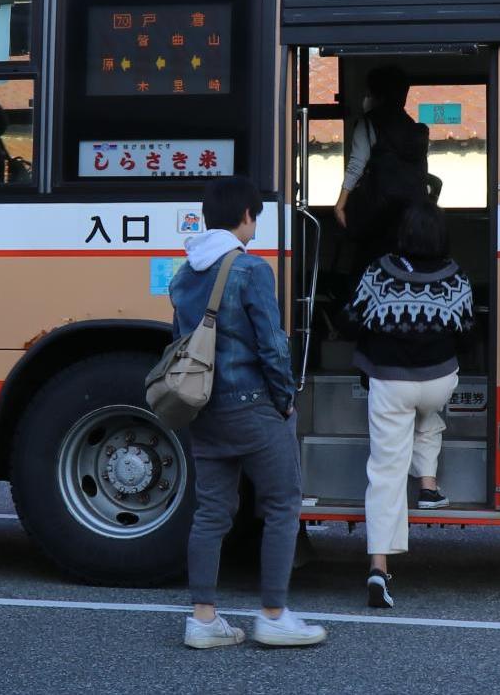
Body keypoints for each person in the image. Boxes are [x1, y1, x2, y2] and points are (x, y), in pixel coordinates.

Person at [172, 176, 328, 649]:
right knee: (282, 504)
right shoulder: (250, 270)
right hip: (251, 406)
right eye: (254, 215)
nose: (255, 223)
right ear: (245, 216)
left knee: (212, 512)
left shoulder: (185, 273)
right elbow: (272, 346)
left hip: (203, 407)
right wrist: (285, 400)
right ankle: (274, 614)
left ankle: (203, 619)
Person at [346, 200, 473, 609]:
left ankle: (379, 568)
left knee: (385, 471)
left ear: (403, 234)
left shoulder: (379, 272)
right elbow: (467, 329)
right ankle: (429, 486)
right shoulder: (456, 277)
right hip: (438, 380)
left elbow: (355, 317)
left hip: (390, 382)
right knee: (430, 415)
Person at [333, 65, 431, 265]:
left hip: (377, 213)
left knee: (369, 264)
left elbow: (356, 165)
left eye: (369, 92)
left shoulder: (368, 124)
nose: (366, 97)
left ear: (379, 95)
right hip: (412, 214)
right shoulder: (416, 130)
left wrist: (340, 204)